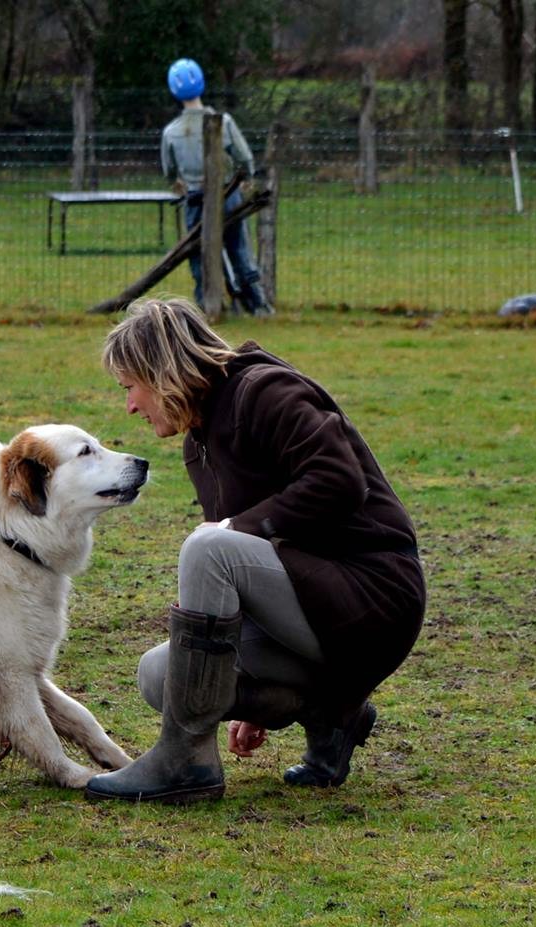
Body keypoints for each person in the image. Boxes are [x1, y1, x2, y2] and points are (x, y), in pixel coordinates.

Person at [85, 298, 423, 803]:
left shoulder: (264, 392)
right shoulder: (199, 439)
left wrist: (234, 526)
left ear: (162, 372)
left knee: (209, 545)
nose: (130, 405)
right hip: (311, 612)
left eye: (130, 386)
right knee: (161, 675)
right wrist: (244, 698)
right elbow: (241, 575)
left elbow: (339, 479)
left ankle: (184, 761)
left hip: (372, 598)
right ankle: (333, 716)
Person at [159, 59, 270, 316]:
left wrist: (179, 184)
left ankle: (205, 305)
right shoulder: (224, 121)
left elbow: (169, 171)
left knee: (198, 253)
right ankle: (256, 304)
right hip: (226, 195)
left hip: (195, 200)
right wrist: (246, 178)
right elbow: (244, 156)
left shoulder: (171, 132)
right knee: (238, 247)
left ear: (174, 90)